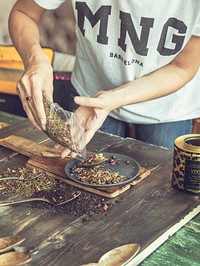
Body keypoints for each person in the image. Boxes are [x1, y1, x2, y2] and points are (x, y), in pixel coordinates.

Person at [8, 0, 200, 158]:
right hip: (88, 98)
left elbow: (182, 67)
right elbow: (24, 13)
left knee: (157, 196)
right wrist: (35, 59)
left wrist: (114, 98)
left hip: (166, 107)